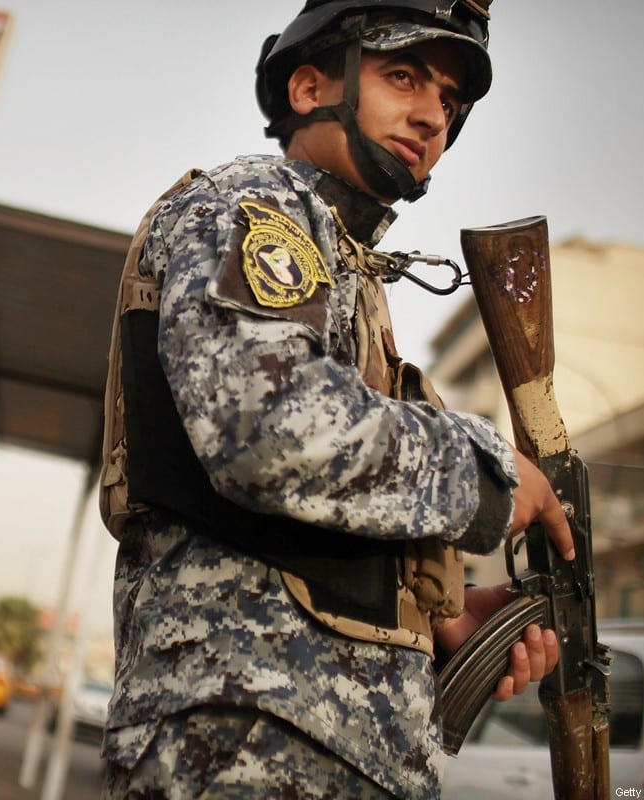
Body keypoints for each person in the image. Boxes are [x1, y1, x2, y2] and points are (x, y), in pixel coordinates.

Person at [97, 1, 577, 797]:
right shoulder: (256, 207)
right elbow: (272, 433)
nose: (431, 116)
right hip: (245, 741)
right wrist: (492, 473)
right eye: (403, 76)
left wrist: (438, 610)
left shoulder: (346, 269)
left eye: (451, 103)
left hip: (329, 752)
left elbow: (311, 509)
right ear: (311, 86)